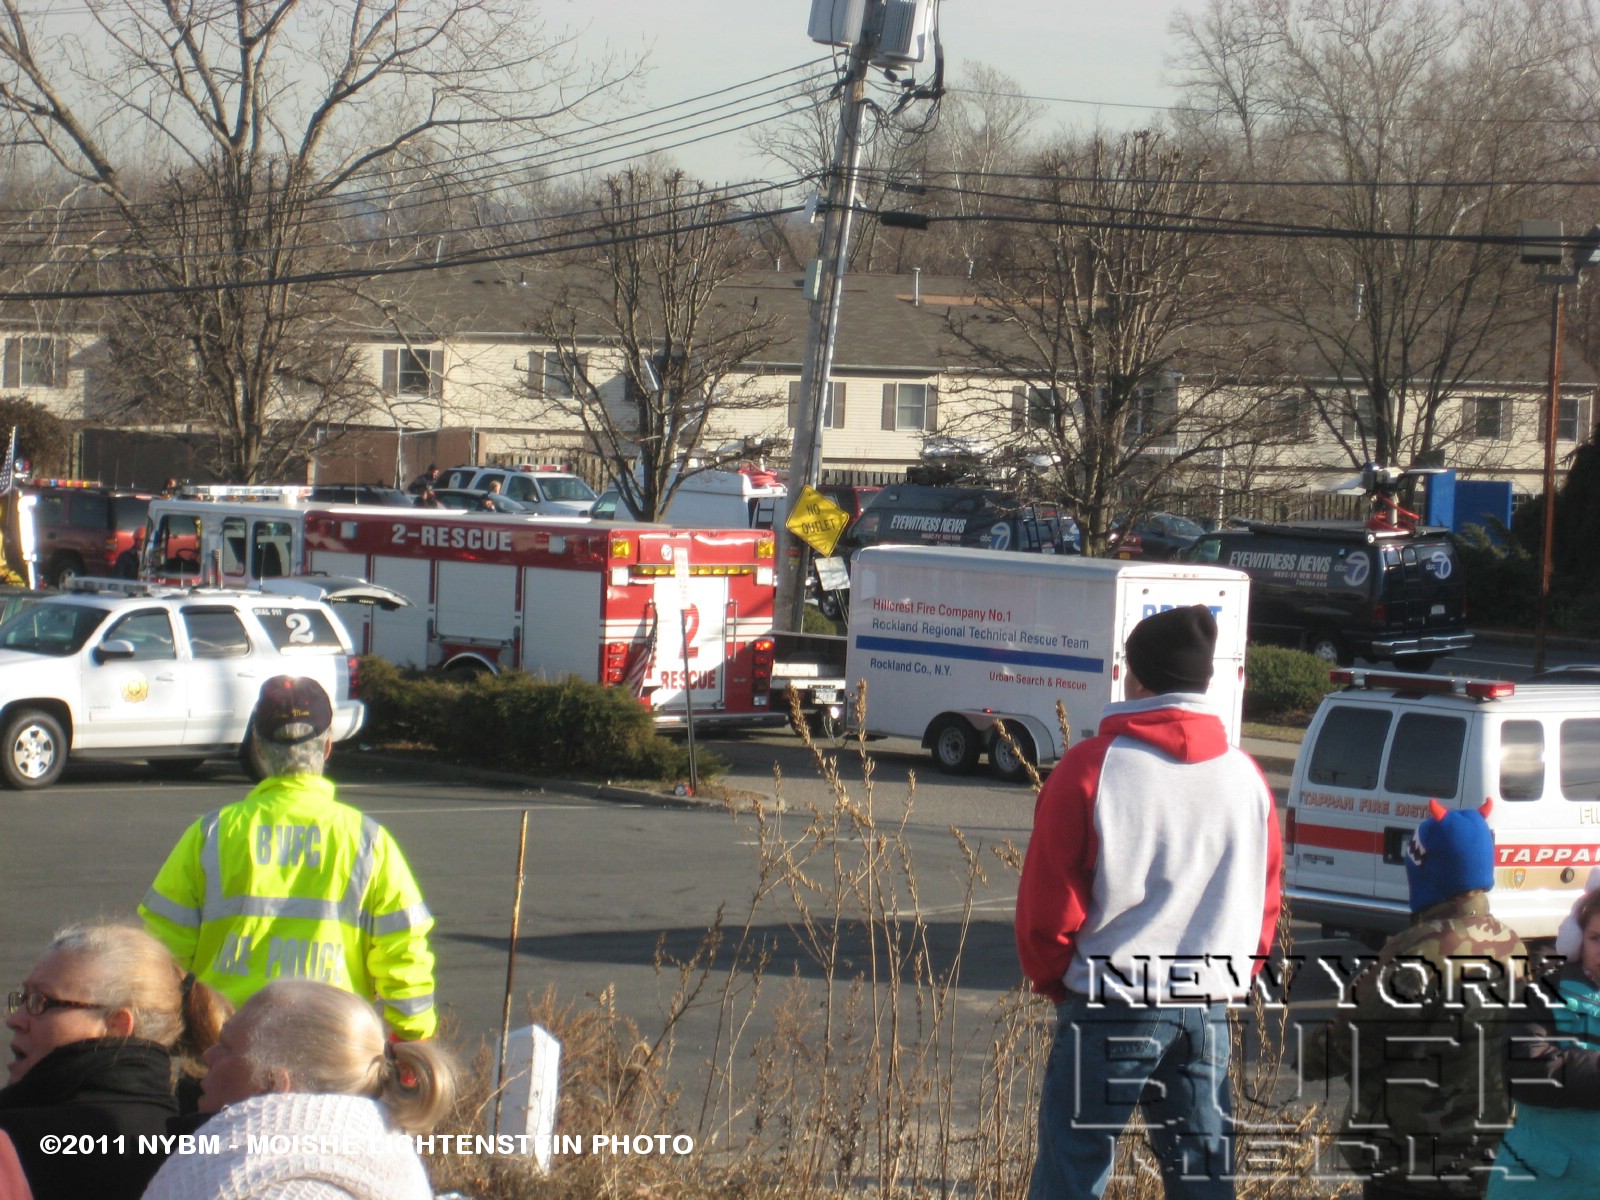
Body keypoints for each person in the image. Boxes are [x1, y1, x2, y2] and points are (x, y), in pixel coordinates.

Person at [1015, 604, 1281, 1200]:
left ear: (1134, 677)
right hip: (1208, 1002)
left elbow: (1047, 904)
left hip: (1111, 998)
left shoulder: (1092, 768)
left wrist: (1057, 979)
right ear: (1205, 681)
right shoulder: (1247, 778)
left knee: (1071, 1174)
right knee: (1205, 1177)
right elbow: (1264, 903)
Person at [139, 675, 438, 1040]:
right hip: (331, 1044)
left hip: (226, 1043)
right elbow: (403, 951)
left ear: (259, 749)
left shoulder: (211, 834)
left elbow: (163, 952)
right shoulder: (369, 841)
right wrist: (411, 1034)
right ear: (327, 747)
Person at [1300, 799, 1526, 1199]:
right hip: (1486, 1148)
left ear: (1425, 872)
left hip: (1410, 1152)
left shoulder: (1417, 950)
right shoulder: (1512, 943)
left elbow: (1356, 1039)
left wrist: (1306, 1056)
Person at [141, 980, 457, 1200]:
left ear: (273, 1084)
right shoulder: (380, 1155)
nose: (208, 1057)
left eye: (225, 1047)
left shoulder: (292, 1192)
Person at [0, 924, 229, 1200]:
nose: (14, 1020)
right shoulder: (212, 1146)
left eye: (41, 1001)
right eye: (23, 999)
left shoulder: (14, 1142)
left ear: (117, 1026)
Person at [1490, 888, 1600, 1197]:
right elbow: (1525, 1068)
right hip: (1541, 1183)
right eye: (1596, 938)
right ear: (1578, 938)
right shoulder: (1546, 992)